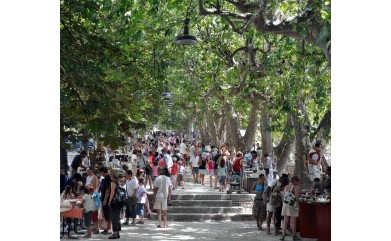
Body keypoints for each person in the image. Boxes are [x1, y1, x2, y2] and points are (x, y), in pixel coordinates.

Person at [280, 176, 301, 241]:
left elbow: (284, 195)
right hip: (292, 205)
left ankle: (283, 237)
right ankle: (294, 236)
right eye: (297, 181)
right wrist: (299, 205)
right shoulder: (295, 187)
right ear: (295, 181)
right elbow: (297, 198)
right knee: (293, 222)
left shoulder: (286, 187)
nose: (298, 183)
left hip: (285, 205)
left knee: (285, 221)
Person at [107, 169, 121, 239]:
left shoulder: (112, 182)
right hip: (118, 201)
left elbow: (112, 192)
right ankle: (117, 232)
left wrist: (109, 201)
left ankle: (114, 233)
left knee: (114, 217)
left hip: (114, 201)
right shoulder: (117, 182)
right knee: (117, 217)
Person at [99, 167, 112, 234]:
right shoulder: (105, 179)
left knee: (108, 214)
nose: (101, 174)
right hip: (104, 198)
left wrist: (105, 199)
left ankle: (109, 228)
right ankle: (107, 227)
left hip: (106, 199)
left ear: (103, 172)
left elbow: (108, 190)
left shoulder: (107, 178)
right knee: (106, 214)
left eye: (101, 172)